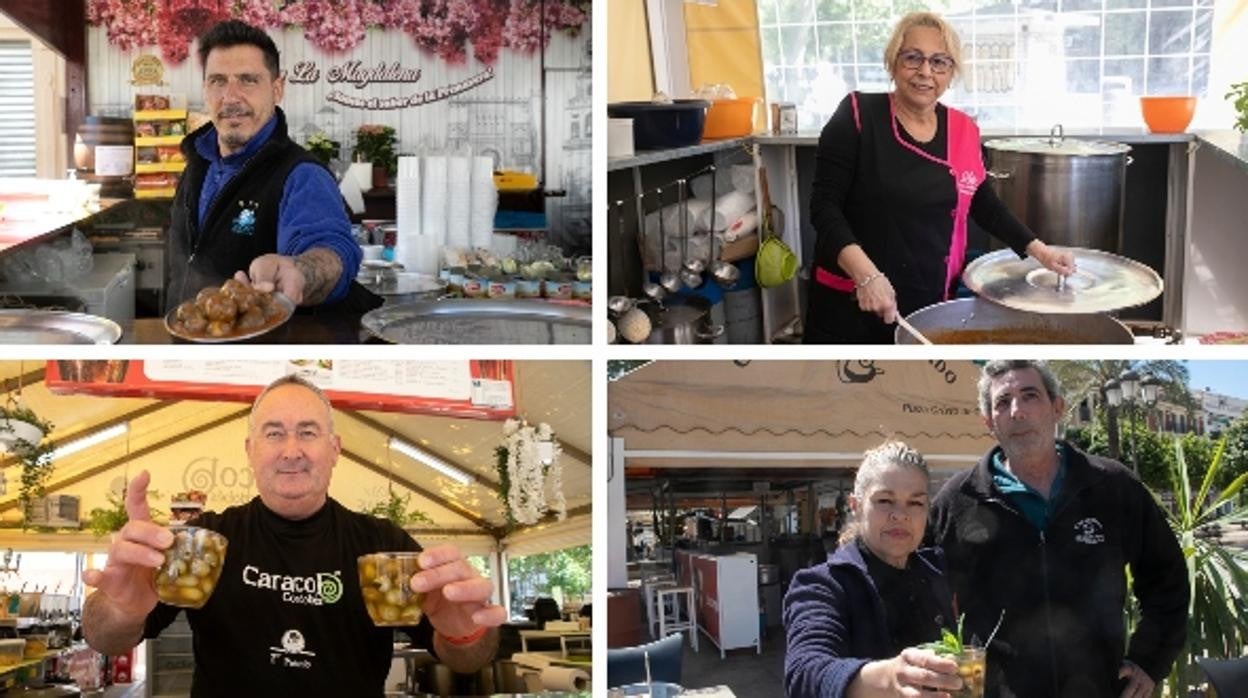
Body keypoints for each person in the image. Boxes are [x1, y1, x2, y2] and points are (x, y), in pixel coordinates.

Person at [81, 375, 504, 697]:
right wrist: (121, 609)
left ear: (335, 449)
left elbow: (469, 659)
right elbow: (104, 638)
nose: (291, 450)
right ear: (250, 450)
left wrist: (465, 632)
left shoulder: (384, 545)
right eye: (273, 433)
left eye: (307, 432)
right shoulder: (202, 540)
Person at [804, 11, 1076, 344]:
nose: (925, 72)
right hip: (854, 299)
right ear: (893, 61)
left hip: (928, 297)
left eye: (939, 62)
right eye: (912, 58)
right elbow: (824, 207)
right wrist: (867, 276)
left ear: (951, 72)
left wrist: (1040, 252)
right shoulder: (858, 115)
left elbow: (982, 203)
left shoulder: (964, 129)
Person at [928, 360, 1189, 698]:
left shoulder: (1112, 486)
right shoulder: (957, 501)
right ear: (989, 421)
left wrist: (1149, 660)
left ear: (1057, 407)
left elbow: (1167, 577)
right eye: (1003, 402)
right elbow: (919, 590)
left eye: (1030, 395)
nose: (1017, 411)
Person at [166, 19, 378, 315]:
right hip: (187, 337)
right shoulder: (197, 162)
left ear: (277, 89)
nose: (230, 97)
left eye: (248, 80)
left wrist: (300, 272)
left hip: (271, 342)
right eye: (218, 81)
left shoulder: (303, 175)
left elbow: (332, 249)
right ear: (205, 90)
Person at [785, 441, 964, 698]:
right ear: (855, 506)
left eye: (915, 503)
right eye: (885, 500)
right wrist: (889, 679)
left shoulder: (936, 572)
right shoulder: (823, 585)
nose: (900, 514)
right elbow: (805, 673)